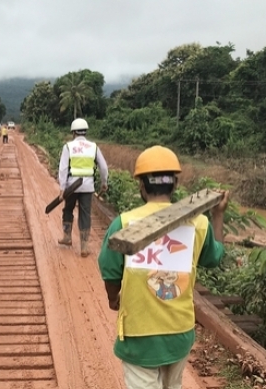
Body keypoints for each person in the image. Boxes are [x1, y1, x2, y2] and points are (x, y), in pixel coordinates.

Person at [96, 145, 229, 389]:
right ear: (175, 184)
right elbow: (214, 257)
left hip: (139, 335)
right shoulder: (199, 223)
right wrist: (218, 215)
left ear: (141, 186)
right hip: (179, 333)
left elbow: (110, 271)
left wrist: (112, 298)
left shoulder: (124, 224)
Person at [57, 118, 109, 257]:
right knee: (85, 214)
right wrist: (104, 183)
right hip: (87, 187)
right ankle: (84, 246)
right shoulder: (94, 147)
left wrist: (62, 188)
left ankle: (67, 237)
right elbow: (103, 167)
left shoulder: (68, 147)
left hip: (72, 186)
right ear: (85, 132)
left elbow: (63, 169)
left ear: (73, 132)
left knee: (68, 209)